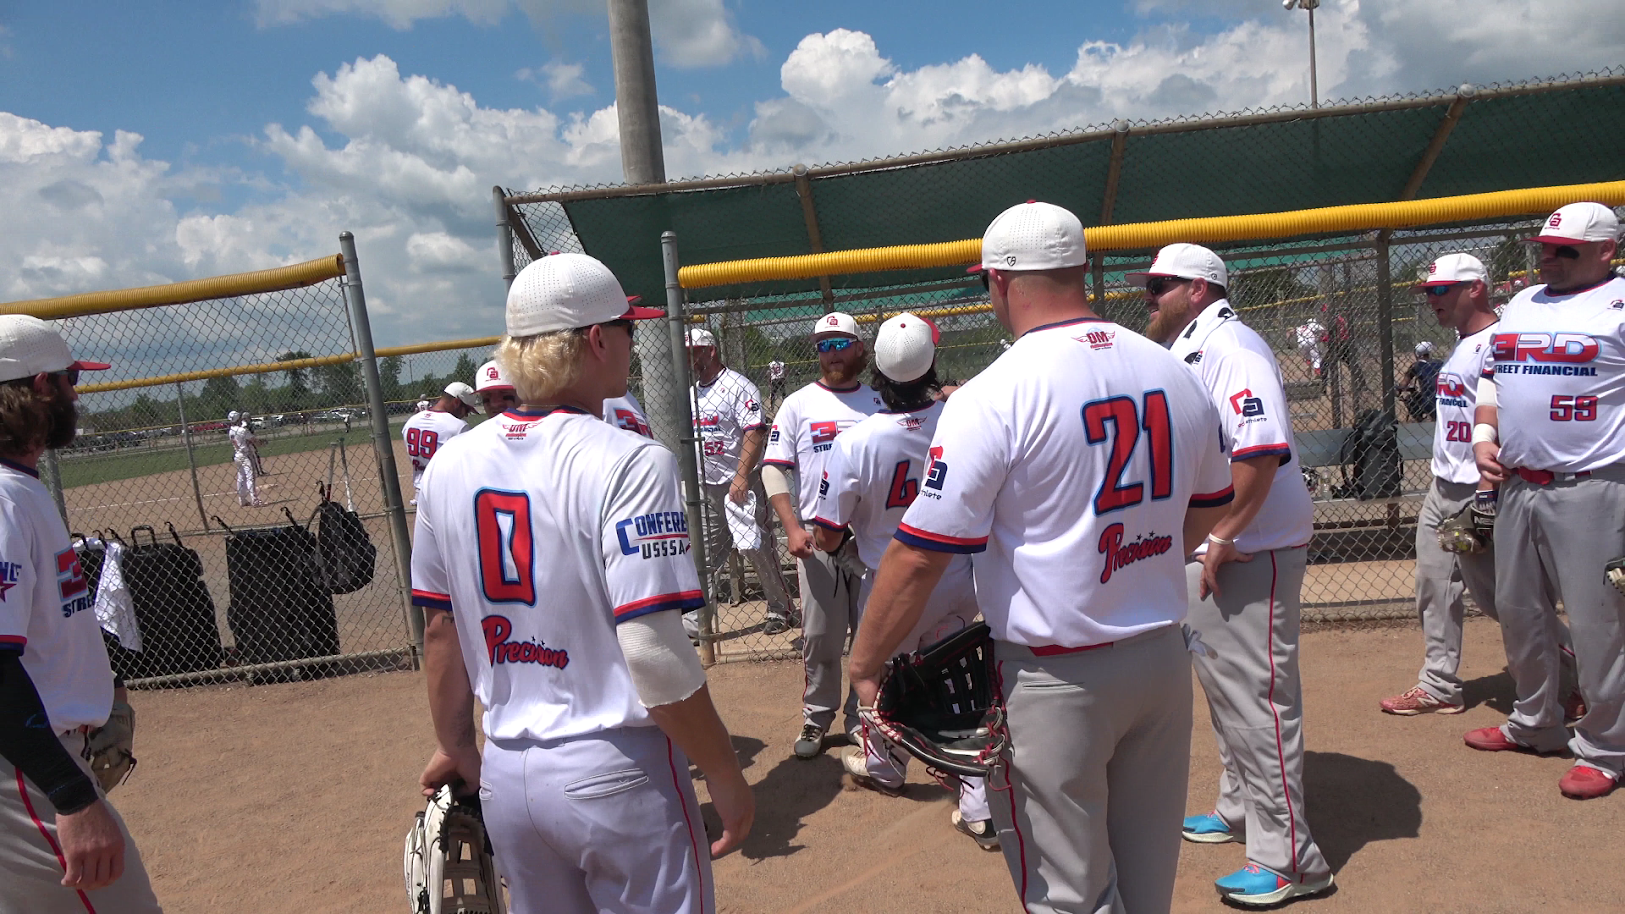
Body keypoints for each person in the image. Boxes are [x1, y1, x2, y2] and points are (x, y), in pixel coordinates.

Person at [851, 202, 1234, 914]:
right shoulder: (1170, 368)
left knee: (1068, 897)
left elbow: (918, 557)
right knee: (1145, 889)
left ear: (999, 281)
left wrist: (864, 664)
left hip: (1054, 678)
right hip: (1159, 660)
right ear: (1080, 269)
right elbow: (1214, 502)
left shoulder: (994, 391)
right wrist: (1136, 559)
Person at [412, 253, 754, 912]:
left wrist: (457, 747)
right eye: (628, 328)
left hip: (507, 769)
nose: (632, 341)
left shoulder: (449, 466)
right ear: (597, 340)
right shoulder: (630, 459)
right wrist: (722, 770)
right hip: (616, 769)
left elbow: (440, 629)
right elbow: (652, 651)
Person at [1137, 243, 1334, 906]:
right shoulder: (1191, 347)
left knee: (1258, 700)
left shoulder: (1233, 347)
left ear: (1198, 289)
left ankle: (1291, 860)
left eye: (1159, 286)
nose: (1148, 297)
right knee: (1225, 690)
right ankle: (1239, 806)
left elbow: (1260, 452)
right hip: (1220, 544)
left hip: (1250, 547)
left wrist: (1221, 534)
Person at [810, 312, 995, 851]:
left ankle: (890, 766)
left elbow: (825, 533)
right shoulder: (959, 417)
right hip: (957, 574)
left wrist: (846, 545)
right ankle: (975, 799)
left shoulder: (857, 440)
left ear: (877, 370)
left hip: (890, 581)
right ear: (932, 365)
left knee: (873, 675)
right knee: (955, 683)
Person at [0, 315, 164, 913]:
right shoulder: (5, 499)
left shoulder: (18, 488)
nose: (77, 393)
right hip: (25, 772)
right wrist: (71, 796)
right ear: (41, 386)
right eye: (71, 378)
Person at [1382, 254, 1583, 719]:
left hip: (1483, 491)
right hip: (1443, 488)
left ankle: (1583, 673)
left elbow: (1514, 415)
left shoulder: (1501, 341)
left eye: (1441, 290)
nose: (1432, 299)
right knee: (1433, 586)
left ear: (1475, 288)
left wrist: (1492, 488)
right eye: (1429, 292)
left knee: (1504, 602)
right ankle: (1438, 684)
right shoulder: (1460, 343)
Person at [1470, 202, 1625, 801]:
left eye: (1565, 250)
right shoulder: (1523, 302)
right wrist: (1484, 436)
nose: (1548, 258)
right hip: (1516, 484)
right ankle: (1535, 722)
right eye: (1543, 247)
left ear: (1606, 250)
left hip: (1592, 487)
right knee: (1519, 613)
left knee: (1597, 623)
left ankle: (1607, 748)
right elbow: (1493, 376)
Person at [762, 312, 883, 759]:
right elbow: (773, 468)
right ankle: (817, 717)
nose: (830, 353)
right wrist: (791, 526)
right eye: (822, 345)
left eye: (839, 344)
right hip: (817, 539)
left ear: (859, 348)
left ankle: (861, 717)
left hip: (870, 539)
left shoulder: (879, 402)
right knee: (820, 638)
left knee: (871, 635)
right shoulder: (798, 404)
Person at [686, 328, 795, 637]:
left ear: (711, 351)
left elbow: (754, 432)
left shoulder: (738, 386)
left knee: (756, 547)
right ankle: (698, 622)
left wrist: (742, 476)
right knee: (705, 555)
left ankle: (780, 609)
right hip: (707, 485)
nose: (690, 358)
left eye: (695, 351)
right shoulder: (693, 392)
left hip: (741, 483)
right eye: (687, 352)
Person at [482, 356, 653, 438]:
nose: (495, 403)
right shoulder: (620, 397)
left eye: (505, 395)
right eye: (487, 397)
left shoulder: (597, 400)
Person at [401, 381, 479, 506]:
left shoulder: (411, 422)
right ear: (456, 402)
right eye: (466, 410)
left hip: (420, 492)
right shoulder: (458, 427)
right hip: (446, 493)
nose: (466, 415)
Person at [1397, 341, 1444, 421]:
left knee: (1410, 398)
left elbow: (1404, 384)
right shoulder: (1440, 363)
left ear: (1417, 354)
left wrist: (1398, 389)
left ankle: (1420, 420)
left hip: (1428, 401)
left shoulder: (1416, 365)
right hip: (1443, 399)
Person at [227, 411, 265, 507]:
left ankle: (242, 500)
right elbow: (254, 440)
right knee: (250, 477)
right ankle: (255, 500)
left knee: (241, 478)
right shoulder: (242, 430)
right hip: (246, 456)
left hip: (237, 455)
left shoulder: (231, 431)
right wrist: (262, 443)